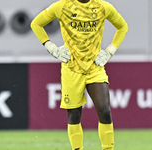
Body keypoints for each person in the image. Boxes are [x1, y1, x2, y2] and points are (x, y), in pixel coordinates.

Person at [31, 0, 128, 149]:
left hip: (94, 67)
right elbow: (36, 24)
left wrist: (110, 51)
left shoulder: (103, 6)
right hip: (72, 68)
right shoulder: (62, 6)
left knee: (104, 109)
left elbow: (122, 26)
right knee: (74, 114)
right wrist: (51, 47)